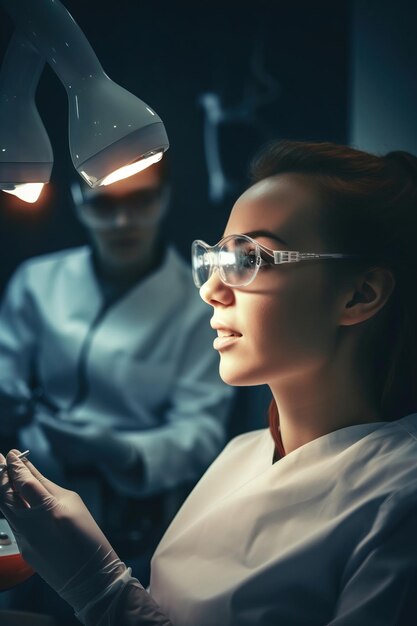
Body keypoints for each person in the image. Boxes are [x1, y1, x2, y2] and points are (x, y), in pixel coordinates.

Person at [1, 139, 417, 625]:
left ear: (360, 294)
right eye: (217, 259)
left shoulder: (398, 505)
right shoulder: (241, 455)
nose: (209, 290)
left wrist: (97, 587)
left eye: (250, 260)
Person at [0, 158, 233, 550]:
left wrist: (123, 451)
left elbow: (202, 431)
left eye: (142, 200)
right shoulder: (37, 282)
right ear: (78, 200)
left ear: (165, 198)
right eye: (103, 204)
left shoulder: (199, 306)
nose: (123, 221)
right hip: (29, 490)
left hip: (136, 514)